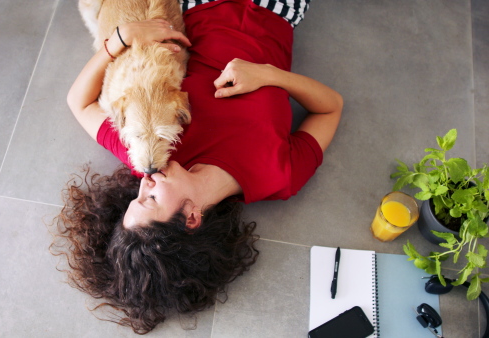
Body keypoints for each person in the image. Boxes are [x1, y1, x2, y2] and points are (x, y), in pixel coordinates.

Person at [52, 0, 342, 334]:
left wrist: (120, 38)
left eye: (135, 197)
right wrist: (268, 75)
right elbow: (331, 108)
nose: (144, 183)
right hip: (273, 10)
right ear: (191, 218)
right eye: (150, 200)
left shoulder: (150, 150)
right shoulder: (278, 177)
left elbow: (80, 102)